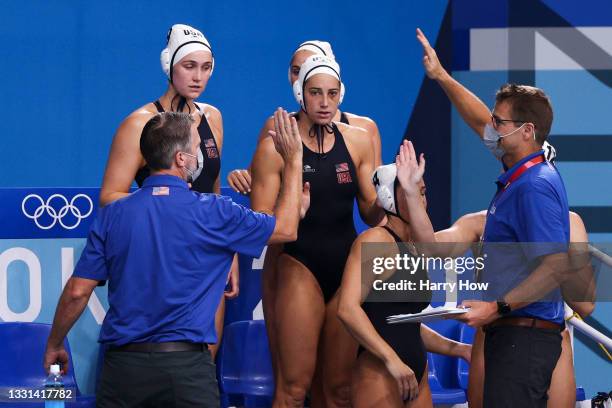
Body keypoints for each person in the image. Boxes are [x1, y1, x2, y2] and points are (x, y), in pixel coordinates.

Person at [43, 110, 304, 407]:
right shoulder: (216, 211)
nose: (198, 156)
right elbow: (286, 228)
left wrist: (54, 343)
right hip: (188, 374)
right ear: (181, 159)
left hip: (122, 372)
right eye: (195, 149)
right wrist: (294, 160)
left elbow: (78, 291)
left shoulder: (113, 214)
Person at [416, 28, 586, 407]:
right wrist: (442, 77)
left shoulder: (535, 186)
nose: (491, 128)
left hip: (524, 336)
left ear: (528, 133)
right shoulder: (519, 177)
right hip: (511, 335)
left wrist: (496, 306)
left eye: (500, 123)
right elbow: (480, 121)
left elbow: (557, 269)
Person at [251, 55, 385, 407]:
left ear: (341, 94)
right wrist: (292, 210)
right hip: (300, 264)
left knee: (339, 389)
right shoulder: (274, 146)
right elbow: (259, 224)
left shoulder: (358, 140)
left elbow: (371, 214)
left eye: (331, 93)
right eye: (315, 93)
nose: (324, 103)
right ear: (300, 94)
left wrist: (394, 195)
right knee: (294, 388)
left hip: (345, 267)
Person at [98, 23, 236, 357]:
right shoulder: (141, 122)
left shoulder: (212, 118)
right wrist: (167, 207)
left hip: (208, 254)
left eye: (206, 68)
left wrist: (228, 251)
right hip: (161, 255)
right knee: (165, 360)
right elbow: (109, 197)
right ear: (169, 67)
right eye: (189, 66)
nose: (198, 77)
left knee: (203, 363)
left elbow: (213, 191)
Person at [338, 140, 471, 407]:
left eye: (422, 192)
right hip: (380, 372)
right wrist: (392, 360)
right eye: (412, 191)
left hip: (414, 373)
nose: (420, 199)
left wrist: (458, 349)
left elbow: (403, 324)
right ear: (389, 197)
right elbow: (347, 309)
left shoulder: (416, 247)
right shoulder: (375, 242)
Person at [227, 40, 382, 194]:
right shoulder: (277, 126)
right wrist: (241, 178)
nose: (301, 78)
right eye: (296, 71)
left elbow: (378, 196)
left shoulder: (364, 130)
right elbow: (258, 184)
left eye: (311, 69)